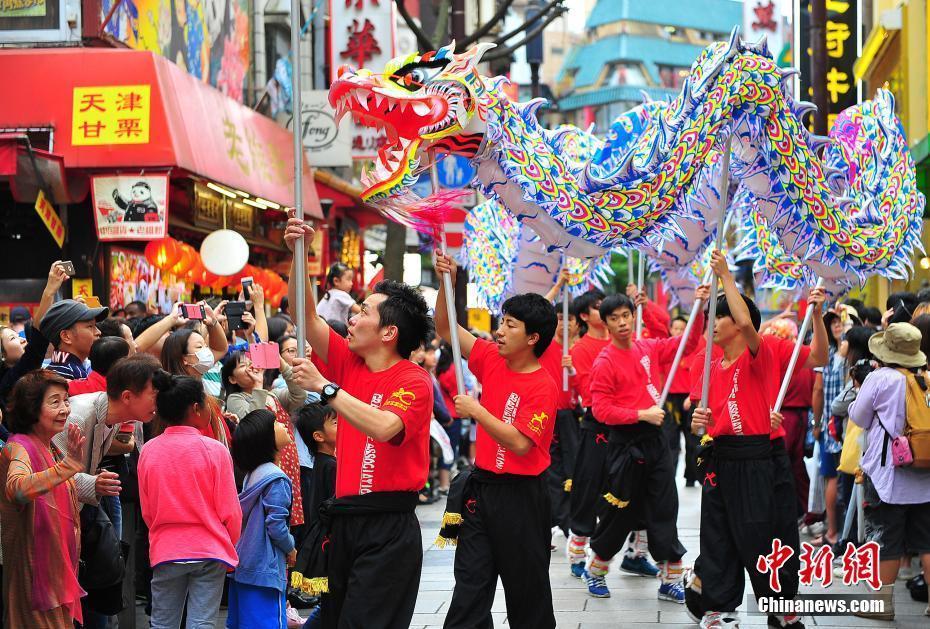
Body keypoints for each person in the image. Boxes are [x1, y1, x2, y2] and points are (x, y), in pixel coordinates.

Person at [284, 214, 434, 628]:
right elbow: (306, 316)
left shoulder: (413, 379)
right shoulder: (352, 362)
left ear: (389, 333)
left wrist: (326, 388)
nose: (351, 316)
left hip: (388, 527)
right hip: (345, 520)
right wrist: (300, 253)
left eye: (363, 311)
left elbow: (385, 427)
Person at [688, 250, 826, 629]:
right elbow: (709, 416)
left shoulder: (760, 351)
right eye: (709, 318)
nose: (712, 324)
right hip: (722, 460)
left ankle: (779, 606)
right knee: (717, 534)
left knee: (766, 533)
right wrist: (701, 420)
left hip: (759, 459)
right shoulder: (709, 366)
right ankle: (717, 607)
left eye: (720, 316)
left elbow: (818, 356)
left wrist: (726, 277)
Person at [433, 251, 559, 629]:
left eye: (510, 325)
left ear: (533, 337)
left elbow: (521, 443)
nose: (499, 331)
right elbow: (445, 326)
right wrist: (447, 283)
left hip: (523, 498)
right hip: (481, 491)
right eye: (501, 322)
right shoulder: (490, 357)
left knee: (527, 592)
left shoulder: (544, 386)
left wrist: (478, 411)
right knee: (470, 584)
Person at [584, 283, 708, 602]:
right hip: (625, 445)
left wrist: (699, 307)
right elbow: (600, 410)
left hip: (656, 441)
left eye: (627, 315)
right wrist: (640, 414)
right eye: (615, 318)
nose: (623, 322)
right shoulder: (605, 361)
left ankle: (670, 580)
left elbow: (688, 343)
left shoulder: (647, 348)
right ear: (606, 323)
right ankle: (596, 570)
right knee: (620, 512)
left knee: (665, 506)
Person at [139, 374, 242, 629]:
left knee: (163, 623)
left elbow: (148, 510)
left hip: (166, 548)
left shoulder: (149, 450)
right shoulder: (215, 450)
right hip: (209, 548)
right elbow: (230, 510)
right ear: (196, 408)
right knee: (202, 623)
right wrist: (228, 542)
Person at [848, 322, 930, 621]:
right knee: (927, 541)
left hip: (887, 475)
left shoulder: (880, 378)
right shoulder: (926, 379)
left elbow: (858, 415)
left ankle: (883, 605)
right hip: (925, 475)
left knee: (887, 539)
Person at [1, 370, 87, 628]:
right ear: (32, 408)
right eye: (55, 402)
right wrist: (67, 466)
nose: (65, 409)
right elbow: (16, 489)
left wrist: (93, 484)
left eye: (66, 400)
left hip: (55, 572)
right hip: (34, 574)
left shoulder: (49, 446)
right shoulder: (19, 446)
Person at [227, 409, 298, 629]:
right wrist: (291, 548)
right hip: (265, 570)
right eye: (276, 422)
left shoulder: (253, 474)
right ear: (265, 438)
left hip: (244, 565)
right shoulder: (276, 478)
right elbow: (276, 526)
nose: (283, 424)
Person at [223, 349, 307, 526]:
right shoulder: (235, 398)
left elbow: (300, 395)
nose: (250, 368)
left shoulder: (272, 394)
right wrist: (258, 386)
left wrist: (281, 363)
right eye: (242, 365)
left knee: (290, 513)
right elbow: (255, 422)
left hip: (288, 463)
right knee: (272, 515)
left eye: (251, 363)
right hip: (266, 465)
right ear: (232, 379)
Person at [538, 302, 579, 539]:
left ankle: (571, 518)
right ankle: (559, 519)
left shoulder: (579, 349)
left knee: (573, 468)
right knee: (553, 468)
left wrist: (572, 371)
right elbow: (538, 306)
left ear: (576, 323)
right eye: (560, 318)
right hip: (551, 414)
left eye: (569, 319)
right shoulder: (546, 346)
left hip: (574, 416)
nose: (564, 323)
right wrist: (560, 284)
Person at [663, 314, 701, 487]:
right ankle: (669, 477)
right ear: (670, 330)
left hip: (689, 398)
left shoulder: (693, 349)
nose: (678, 331)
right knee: (671, 441)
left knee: (692, 440)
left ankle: (692, 477)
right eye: (675, 328)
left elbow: (700, 376)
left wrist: (692, 396)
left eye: (682, 328)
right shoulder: (665, 350)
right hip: (670, 400)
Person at [40, 299, 109, 380]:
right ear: (66, 336)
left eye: (95, 326)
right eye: (90, 326)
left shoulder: (60, 368)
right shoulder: (68, 374)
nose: (98, 332)